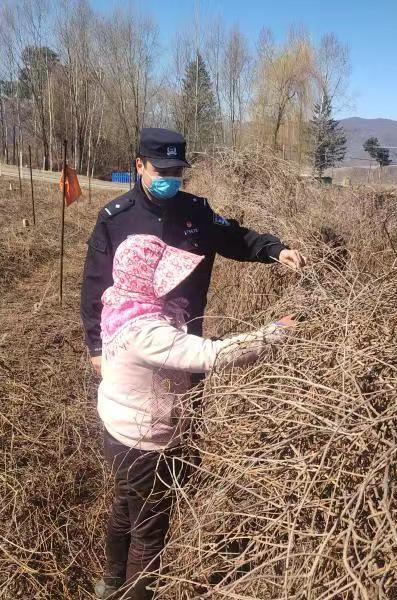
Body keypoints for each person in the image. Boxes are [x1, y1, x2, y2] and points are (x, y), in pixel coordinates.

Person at [94, 234, 294, 599]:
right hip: (144, 444)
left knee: (125, 508)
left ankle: (110, 582)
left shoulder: (121, 303)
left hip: (117, 433)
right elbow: (209, 356)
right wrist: (272, 335)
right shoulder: (147, 330)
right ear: (143, 276)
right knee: (149, 534)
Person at [81, 128, 306, 375]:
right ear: (140, 165)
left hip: (187, 333)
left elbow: (235, 238)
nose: (170, 178)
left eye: (176, 172)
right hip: (132, 344)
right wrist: (97, 347)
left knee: (188, 405)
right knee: (137, 408)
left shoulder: (196, 211)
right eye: (162, 171)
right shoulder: (115, 219)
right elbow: (96, 284)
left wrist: (275, 250)